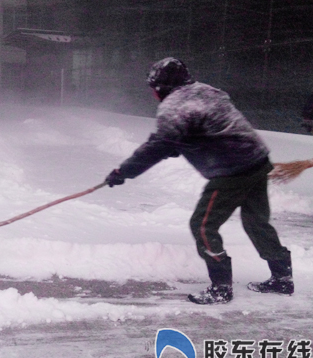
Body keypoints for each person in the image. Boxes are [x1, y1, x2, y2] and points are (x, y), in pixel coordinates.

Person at [105, 57, 293, 305]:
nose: (152, 93)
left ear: (161, 87)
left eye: (153, 87)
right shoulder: (206, 91)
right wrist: (178, 143)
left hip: (231, 170)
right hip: (257, 160)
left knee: (203, 225)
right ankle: (282, 278)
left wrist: (123, 172)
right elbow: (210, 127)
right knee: (256, 222)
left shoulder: (175, 107)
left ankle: (221, 287)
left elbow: (158, 146)